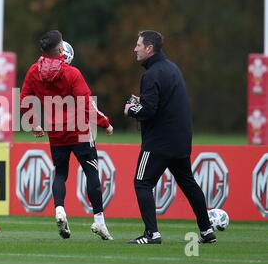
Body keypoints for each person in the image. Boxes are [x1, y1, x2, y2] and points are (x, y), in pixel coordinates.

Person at [20, 30, 114, 240]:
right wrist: (105, 123)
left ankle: (60, 209)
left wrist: (34, 123)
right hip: (79, 131)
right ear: (61, 49)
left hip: (55, 132)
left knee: (60, 173)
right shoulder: (72, 73)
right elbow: (86, 104)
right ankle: (99, 221)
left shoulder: (34, 71)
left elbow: (24, 98)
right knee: (91, 173)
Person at [124, 30, 216, 244]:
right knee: (188, 183)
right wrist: (143, 102)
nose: (135, 49)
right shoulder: (172, 69)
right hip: (181, 139)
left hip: (159, 142)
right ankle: (206, 230)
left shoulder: (151, 74)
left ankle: (152, 234)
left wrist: (130, 109)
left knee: (142, 183)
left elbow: (148, 111)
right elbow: (163, 104)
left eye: (138, 45)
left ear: (149, 48)